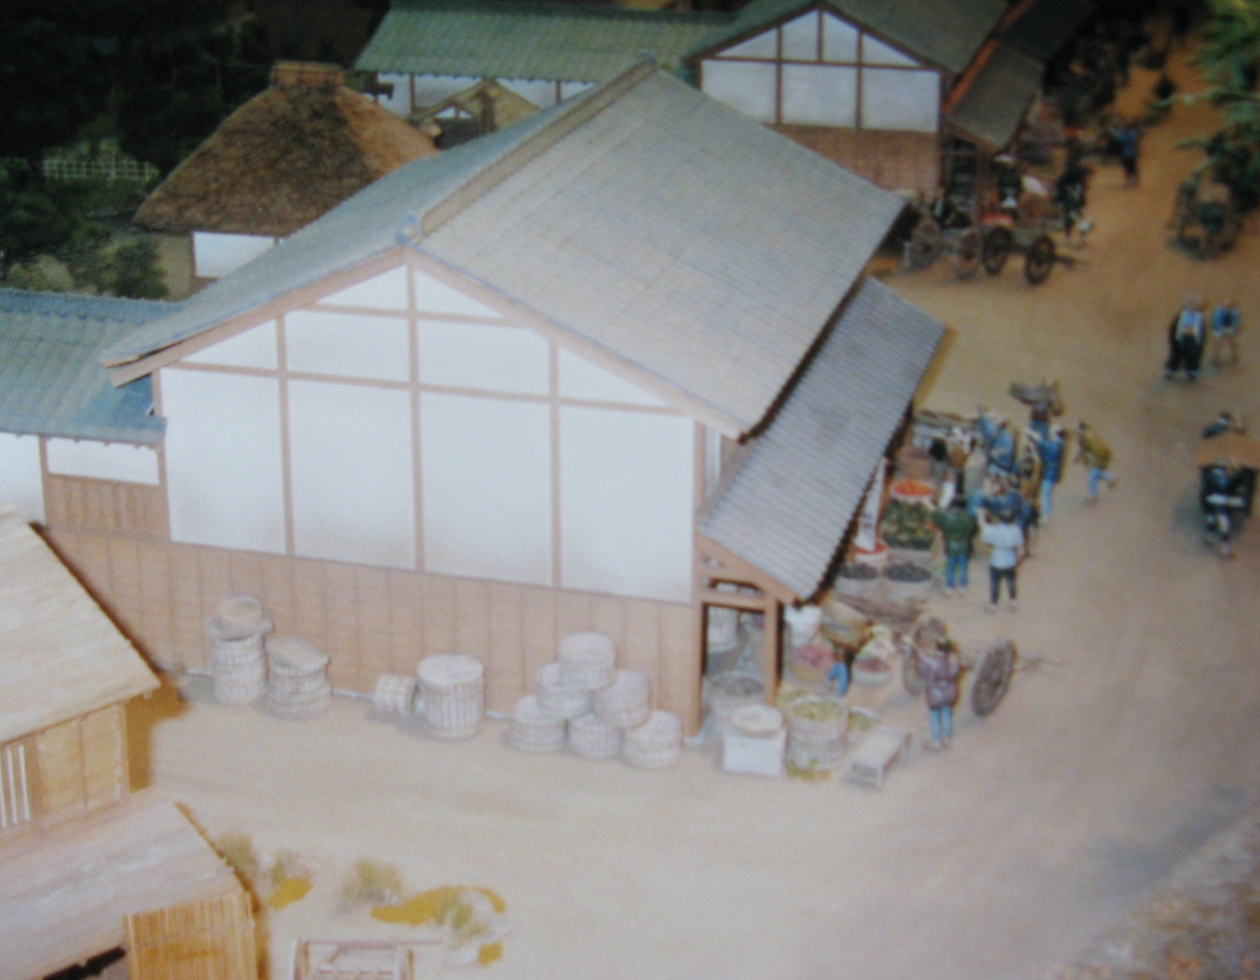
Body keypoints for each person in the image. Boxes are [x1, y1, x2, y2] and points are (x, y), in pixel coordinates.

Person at [909, 617, 961, 750]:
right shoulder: (954, 661)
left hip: (936, 695)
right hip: (950, 692)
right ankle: (946, 739)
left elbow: (922, 668)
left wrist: (918, 652)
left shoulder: (932, 663)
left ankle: (936, 741)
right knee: (947, 715)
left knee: (934, 718)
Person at [931, 496, 978, 596]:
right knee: (963, 567)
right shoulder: (969, 518)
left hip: (950, 546)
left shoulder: (946, 517)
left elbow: (936, 517)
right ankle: (962, 587)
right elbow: (974, 531)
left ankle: (949, 587)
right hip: (964, 546)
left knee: (950, 567)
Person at [980, 510, 1024, 612]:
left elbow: (985, 534)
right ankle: (1013, 601)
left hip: (997, 558)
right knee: (1011, 581)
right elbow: (1020, 545)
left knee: (995, 583)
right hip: (1010, 559)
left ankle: (993, 604)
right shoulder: (1016, 530)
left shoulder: (995, 529)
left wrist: (981, 517)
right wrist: (1019, 559)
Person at [1166, 295, 1206, 380]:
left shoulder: (1199, 318)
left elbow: (1201, 332)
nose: (1191, 308)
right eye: (1189, 306)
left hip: (1193, 342)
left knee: (1193, 356)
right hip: (1180, 340)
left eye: (1193, 306)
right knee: (1177, 355)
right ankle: (1172, 369)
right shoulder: (1180, 317)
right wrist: (1174, 340)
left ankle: (1192, 370)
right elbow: (1174, 330)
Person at [1075, 421, 1117, 499]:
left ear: (1080, 429)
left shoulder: (1083, 437)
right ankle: (1110, 478)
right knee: (1097, 472)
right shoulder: (1090, 433)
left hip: (1096, 456)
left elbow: (1083, 449)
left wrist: (1077, 458)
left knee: (1092, 475)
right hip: (1103, 453)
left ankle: (1093, 493)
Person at [1034, 425, 1068, 521]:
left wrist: (1039, 440)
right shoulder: (1058, 443)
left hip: (1050, 472)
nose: (1051, 433)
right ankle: (1046, 512)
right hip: (1049, 471)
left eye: (1053, 432)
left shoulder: (1057, 445)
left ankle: (1046, 514)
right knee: (1046, 493)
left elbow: (1049, 449)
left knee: (1045, 493)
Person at [1211, 298, 1241, 366]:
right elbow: (1216, 323)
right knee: (1217, 342)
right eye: (1226, 306)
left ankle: (1234, 355)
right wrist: (1222, 330)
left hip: (1230, 328)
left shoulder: (1235, 312)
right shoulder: (1218, 312)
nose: (1228, 308)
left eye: (1230, 306)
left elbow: (1236, 324)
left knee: (1232, 341)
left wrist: (1230, 331)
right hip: (1219, 328)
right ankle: (1214, 357)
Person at [1114, 122, 1140, 187]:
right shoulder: (1132, 135)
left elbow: (1116, 137)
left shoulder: (1122, 136)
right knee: (1133, 167)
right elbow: (1136, 142)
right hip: (1133, 153)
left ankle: (1128, 181)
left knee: (1127, 168)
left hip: (1125, 154)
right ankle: (1135, 180)